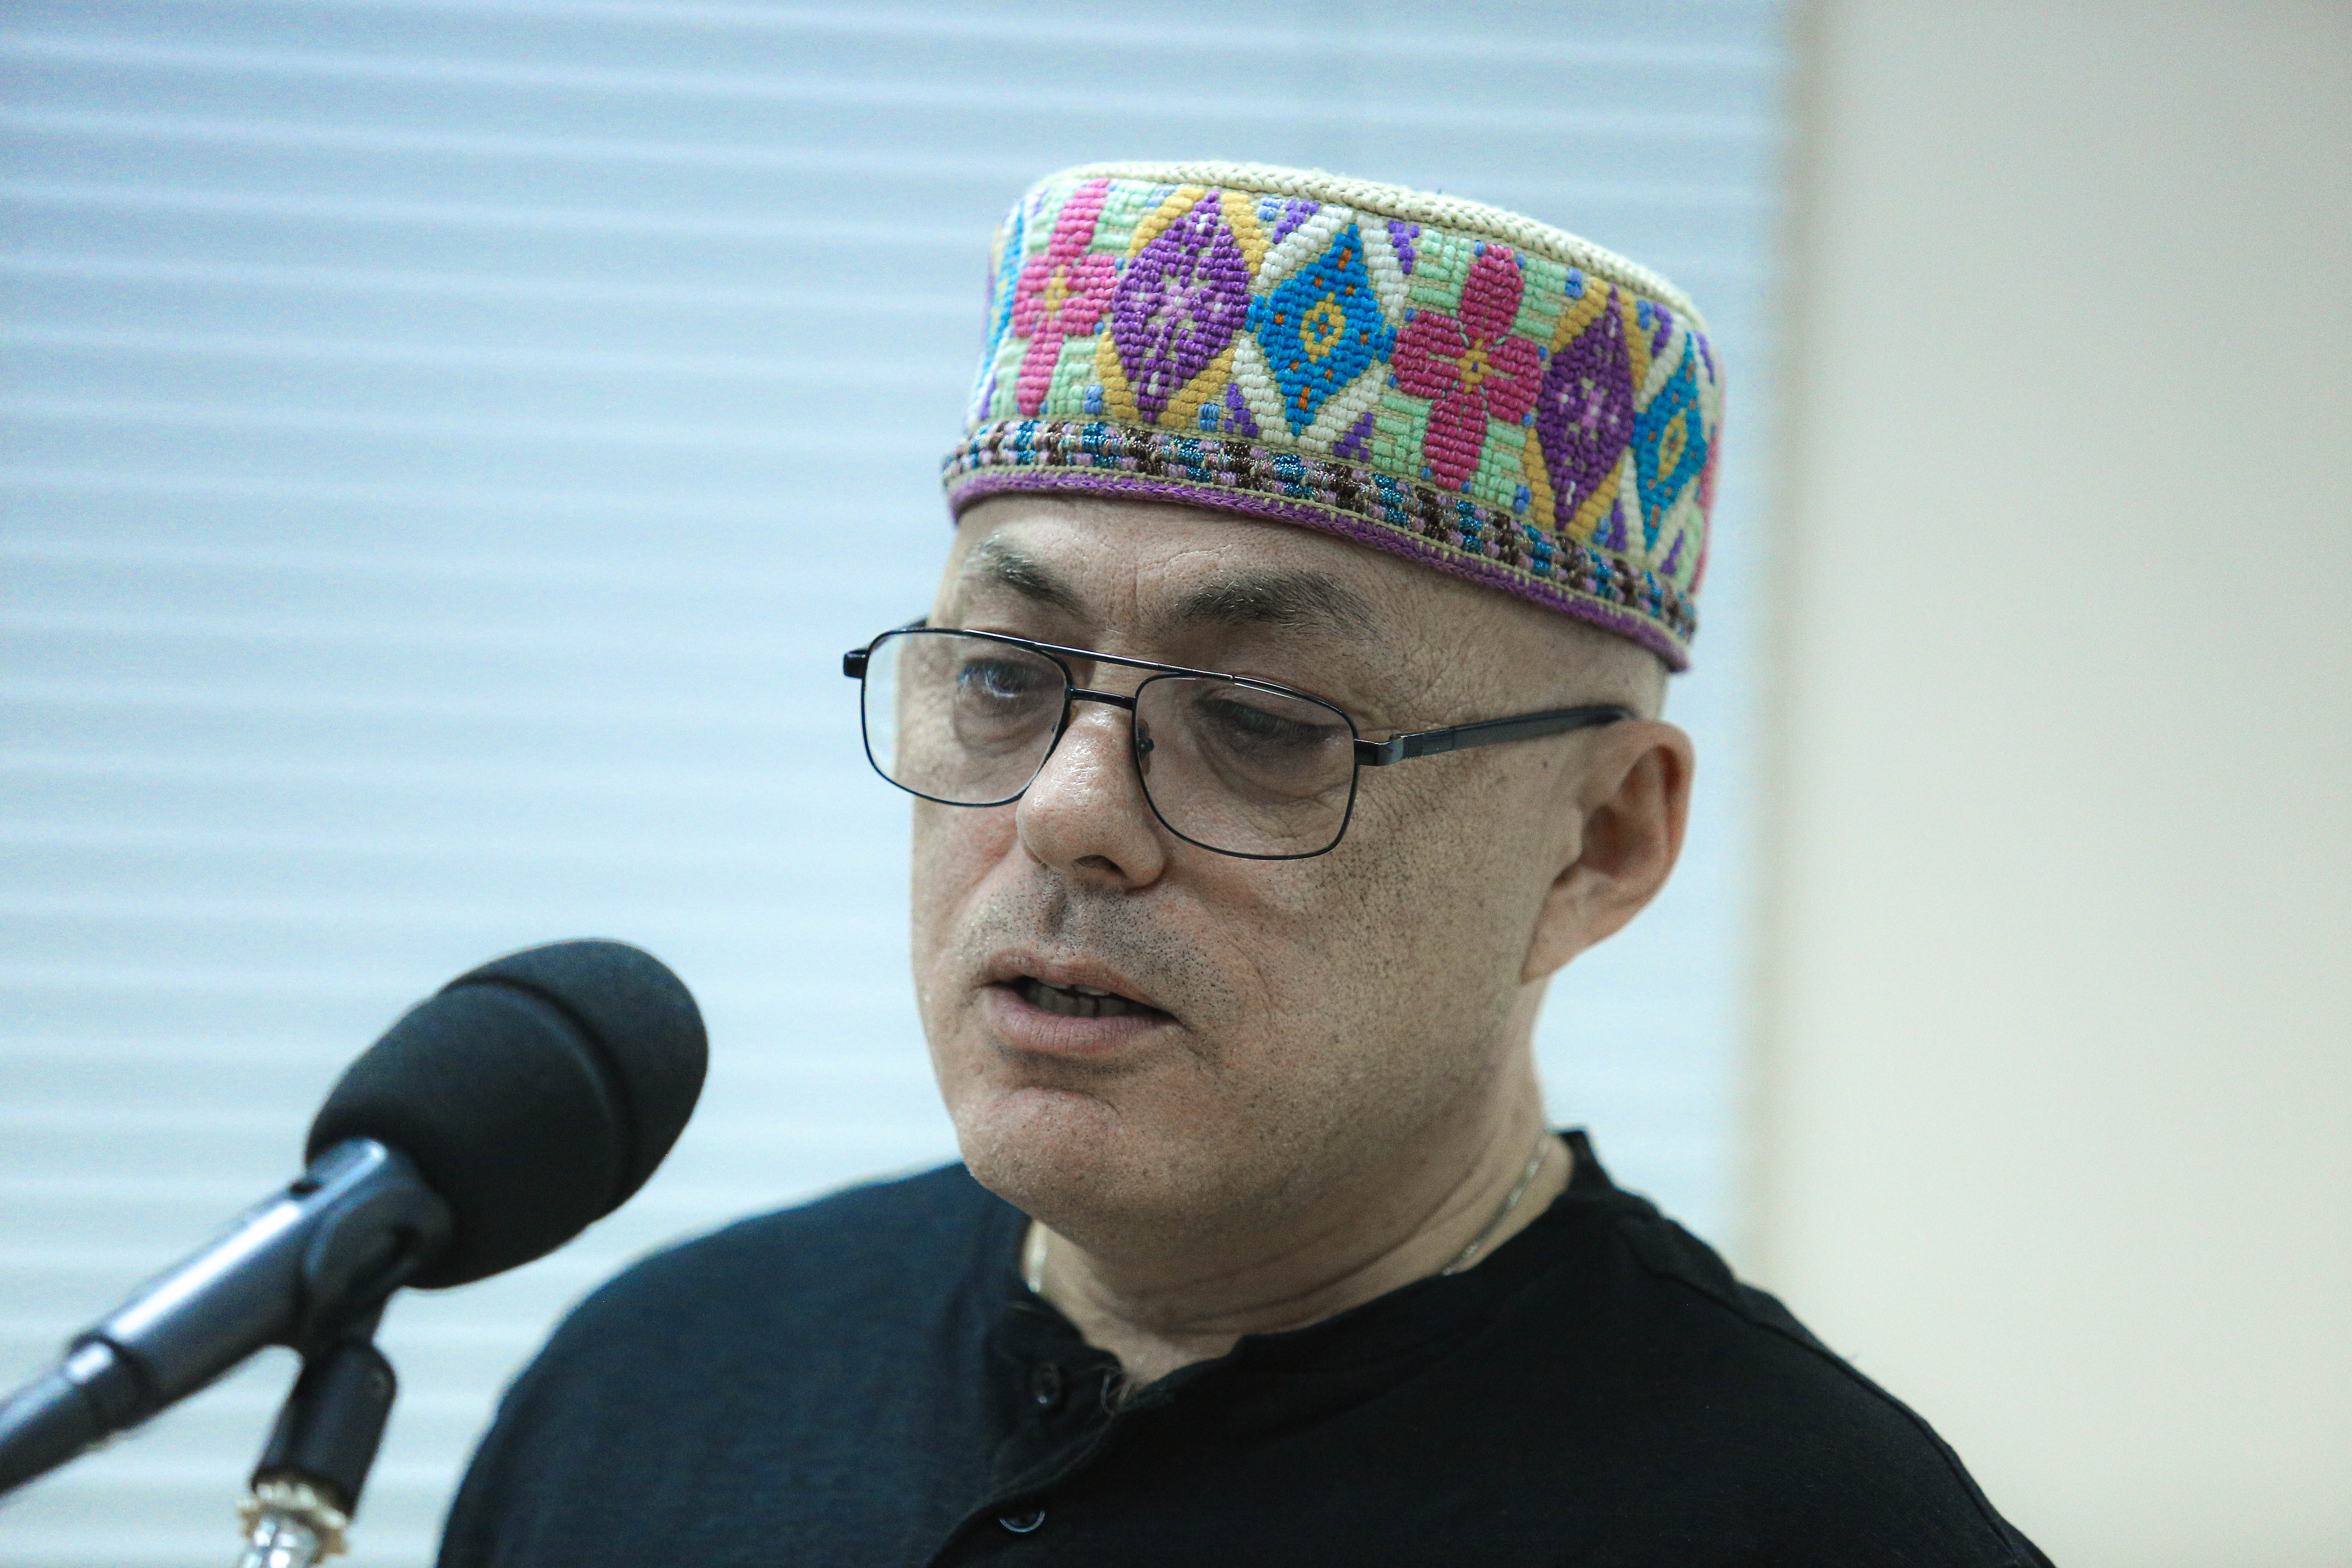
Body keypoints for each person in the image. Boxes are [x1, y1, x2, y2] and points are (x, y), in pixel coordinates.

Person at [437, 162, 2049, 1566]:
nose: (1067, 813)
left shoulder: (1811, 1527)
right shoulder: (652, 1384)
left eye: (1264, 722)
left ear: (1602, 843)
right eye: (1001, 679)